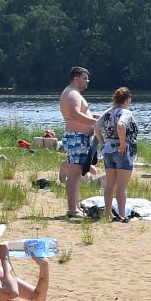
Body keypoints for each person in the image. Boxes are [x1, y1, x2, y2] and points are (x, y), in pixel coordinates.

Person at [59, 67, 97, 219]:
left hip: (79, 137)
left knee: (77, 172)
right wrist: (96, 122)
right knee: (74, 174)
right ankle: (73, 209)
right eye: (85, 78)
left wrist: (93, 117)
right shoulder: (72, 93)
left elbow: (80, 114)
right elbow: (75, 114)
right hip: (76, 137)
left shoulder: (73, 93)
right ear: (76, 78)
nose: (87, 81)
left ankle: (75, 206)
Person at [97, 87, 139, 221]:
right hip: (123, 151)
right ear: (127, 99)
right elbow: (121, 125)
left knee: (110, 184)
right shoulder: (126, 113)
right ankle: (122, 214)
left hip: (108, 151)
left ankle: (107, 213)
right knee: (121, 186)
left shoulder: (108, 112)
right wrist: (122, 143)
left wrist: (103, 142)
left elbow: (96, 127)